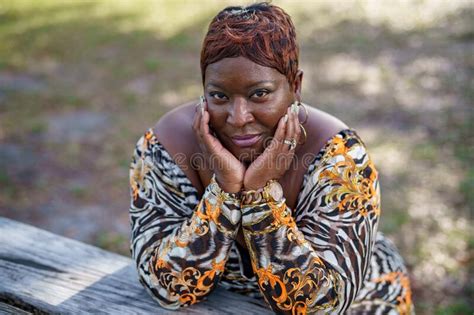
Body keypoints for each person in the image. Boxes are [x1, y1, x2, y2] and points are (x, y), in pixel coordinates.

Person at [129, 2, 414, 314]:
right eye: (219, 96)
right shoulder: (164, 147)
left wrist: (260, 195)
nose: (238, 118)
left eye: (259, 94)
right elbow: (167, 288)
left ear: (295, 86)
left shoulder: (340, 157)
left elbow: (321, 306)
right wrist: (223, 191)